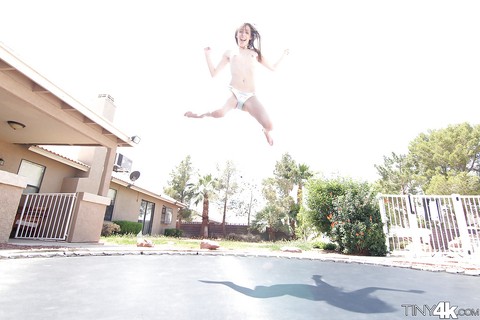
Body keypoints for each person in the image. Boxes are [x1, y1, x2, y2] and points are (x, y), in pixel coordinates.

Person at [184, 22, 289, 146]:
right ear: (237, 35)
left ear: (250, 37)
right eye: (240, 31)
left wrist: (284, 55)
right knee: (220, 113)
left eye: (246, 32)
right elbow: (214, 73)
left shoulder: (255, 53)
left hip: (250, 96)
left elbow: (273, 68)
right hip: (234, 93)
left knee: (270, 126)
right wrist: (207, 55)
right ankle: (199, 115)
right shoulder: (229, 52)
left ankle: (265, 132)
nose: (243, 34)